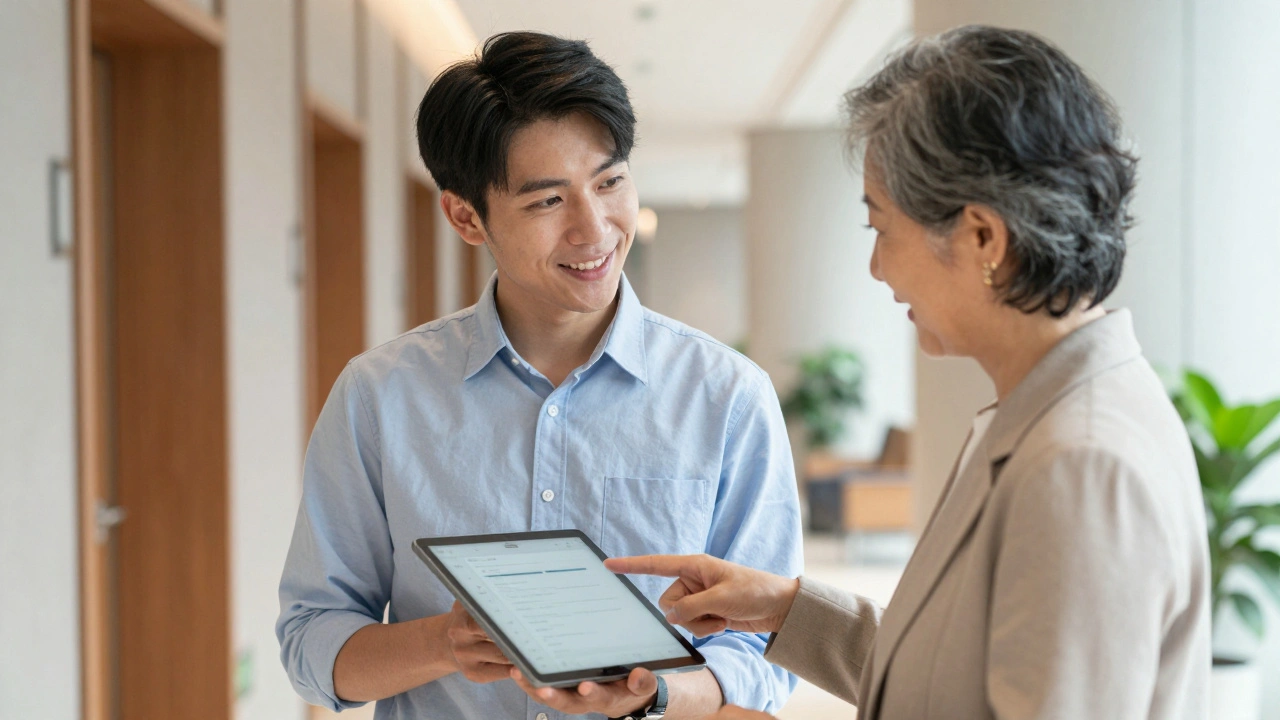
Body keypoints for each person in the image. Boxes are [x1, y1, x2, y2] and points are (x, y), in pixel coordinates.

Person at [608, 25, 1210, 720]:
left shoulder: (1079, 465)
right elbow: (959, 675)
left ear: (984, 238)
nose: (877, 268)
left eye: (881, 227)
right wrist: (784, 609)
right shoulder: (1045, 418)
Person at [276, 31, 803, 720]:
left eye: (610, 182)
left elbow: (770, 646)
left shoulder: (727, 395)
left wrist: (660, 695)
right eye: (547, 201)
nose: (596, 230)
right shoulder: (381, 396)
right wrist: (444, 643)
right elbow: (311, 640)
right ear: (466, 216)